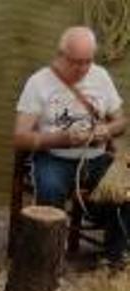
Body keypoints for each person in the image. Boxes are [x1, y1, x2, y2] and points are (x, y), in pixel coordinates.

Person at [13, 26, 128, 267]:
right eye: (76, 62)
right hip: (54, 157)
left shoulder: (101, 76)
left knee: (124, 188)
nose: (83, 69)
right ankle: (47, 262)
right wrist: (63, 139)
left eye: (88, 61)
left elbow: (121, 122)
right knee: (51, 189)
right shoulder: (39, 82)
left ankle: (115, 258)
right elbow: (20, 137)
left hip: (95, 157)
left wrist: (107, 130)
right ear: (61, 55)